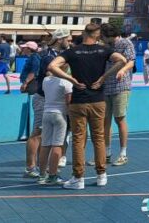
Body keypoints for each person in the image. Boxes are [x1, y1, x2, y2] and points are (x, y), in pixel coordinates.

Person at [46, 21, 128, 190]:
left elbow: (52, 66)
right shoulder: (104, 50)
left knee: (78, 139)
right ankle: (101, 175)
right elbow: (122, 60)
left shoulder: (73, 52)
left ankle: (78, 177)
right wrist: (104, 77)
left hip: (79, 101)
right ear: (98, 35)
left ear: (84, 33)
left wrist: (71, 79)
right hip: (98, 100)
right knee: (98, 137)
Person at [101, 23, 135, 167]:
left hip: (121, 86)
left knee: (119, 119)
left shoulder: (125, 43)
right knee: (105, 121)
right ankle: (106, 153)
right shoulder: (104, 46)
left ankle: (123, 154)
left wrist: (123, 70)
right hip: (105, 87)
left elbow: (131, 62)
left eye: (103, 36)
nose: (101, 38)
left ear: (108, 35)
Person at [37, 28, 71, 170]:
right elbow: (50, 73)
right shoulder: (49, 57)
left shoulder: (58, 55)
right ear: (60, 39)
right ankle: (50, 171)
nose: (70, 42)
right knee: (53, 140)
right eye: (68, 40)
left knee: (49, 140)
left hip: (50, 105)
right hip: (51, 102)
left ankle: (43, 170)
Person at [37, 60, 73, 186]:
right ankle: (52, 175)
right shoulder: (66, 82)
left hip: (46, 113)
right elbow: (68, 102)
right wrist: (71, 118)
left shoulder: (46, 80)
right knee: (57, 145)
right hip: (60, 114)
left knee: (45, 145)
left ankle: (42, 174)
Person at [19, 41, 43, 178]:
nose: (23, 50)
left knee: (37, 131)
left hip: (33, 86)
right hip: (35, 87)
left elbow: (33, 72)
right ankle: (37, 164)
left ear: (29, 49)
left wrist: (25, 83)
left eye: (25, 48)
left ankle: (32, 165)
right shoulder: (35, 57)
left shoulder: (34, 58)